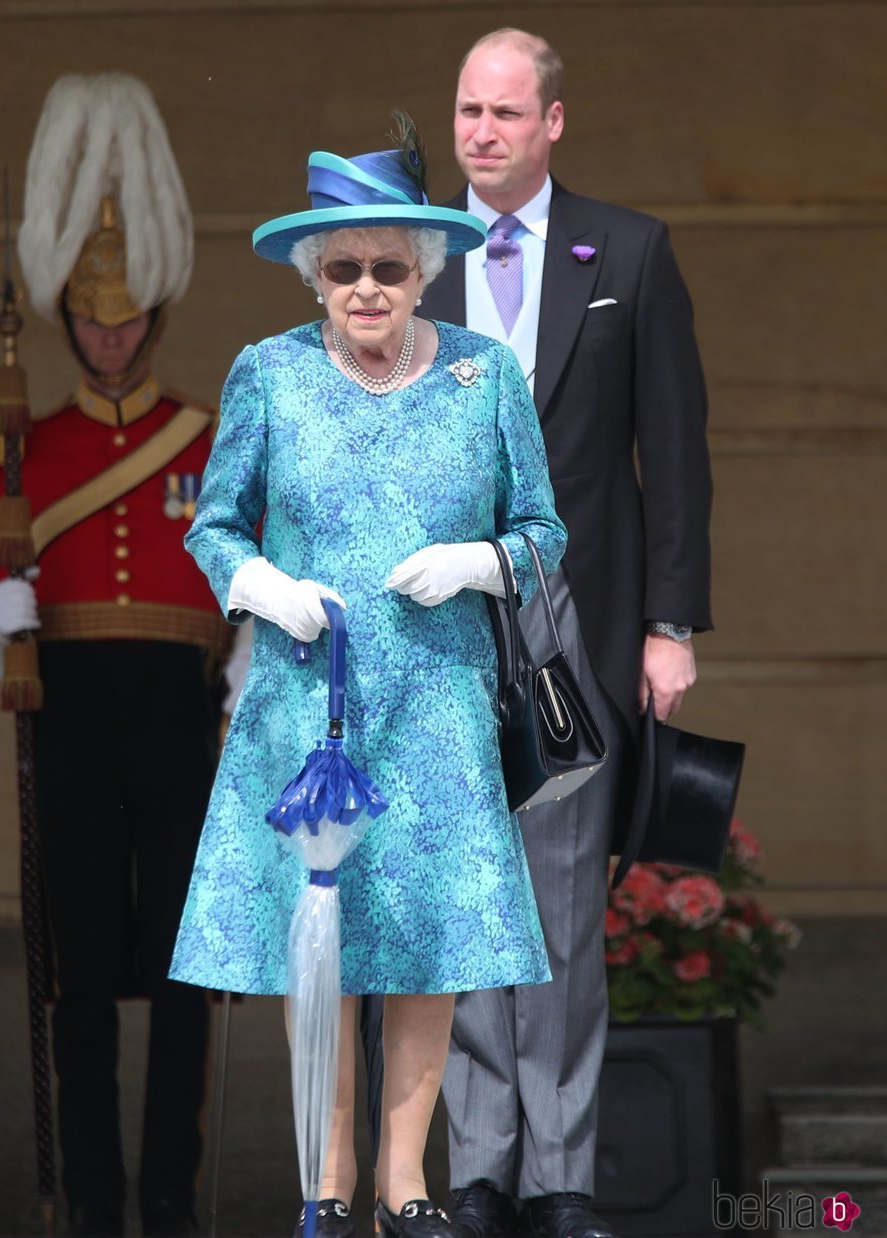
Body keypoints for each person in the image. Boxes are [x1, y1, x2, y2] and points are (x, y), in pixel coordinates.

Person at [167, 118, 568, 1238]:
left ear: (425, 270)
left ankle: (406, 1178)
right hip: (310, 704)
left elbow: (543, 529)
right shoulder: (268, 373)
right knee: (326, 946)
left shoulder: (485, 376)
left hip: (437, 702)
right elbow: (212, 526)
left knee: (426, 947)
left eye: (388, 266)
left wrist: (481, 560)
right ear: (313, 275)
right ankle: (329, 1180)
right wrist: (257, 583)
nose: (365, 287)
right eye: (341, 268)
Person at [419, 29, 714, 1238]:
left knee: (553, 914)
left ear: (551, 122)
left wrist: (668, 623)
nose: (479, 132)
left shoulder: (628, 251)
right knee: (462, 904)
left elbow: (674, 454)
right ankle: (479, 1165)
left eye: (502, 112)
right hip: (442, 631)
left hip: (574, 633)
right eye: (465, 111)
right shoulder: (413, 255)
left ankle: (559, 1179)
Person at [0, 73, 231, 1238]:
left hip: (179, 710)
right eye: (92, 318)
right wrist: (6, 611)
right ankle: (92, 1199)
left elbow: (240, 573)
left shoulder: (206, 434)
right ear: (68, 318)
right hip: (69, 706)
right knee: (76, 978)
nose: (110, 335)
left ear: (153, 319)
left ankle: (168, 1196)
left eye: (126, 320)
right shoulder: (28, 441)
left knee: (184, 972)